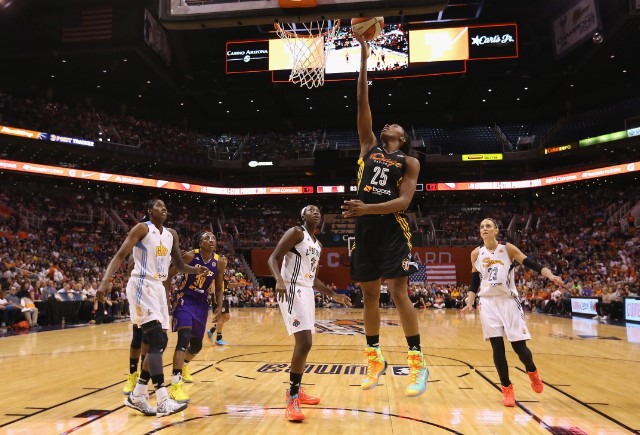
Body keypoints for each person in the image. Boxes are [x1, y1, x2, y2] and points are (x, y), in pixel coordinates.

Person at [341, 35, 428, 397]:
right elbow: (362, 101)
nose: (387, 124)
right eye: (385, 123)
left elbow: (403, 204)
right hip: (365, 229)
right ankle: (374, 359)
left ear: (403, 139)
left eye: (395, 126)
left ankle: (417, 363)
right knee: (370, 296)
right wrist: (363, 58)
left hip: (391, 228)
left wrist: (367, 208)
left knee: (399, 292)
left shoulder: (409, 162)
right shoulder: (368, 146)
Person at [99, 199, 207, 417]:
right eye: (158, 205)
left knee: (161, 341)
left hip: (158, 288)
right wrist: (105, 281)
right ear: (149, 211)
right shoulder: (142, 228)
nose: (164, 208)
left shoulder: (171, 234)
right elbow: (120, 255)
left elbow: (178, 265)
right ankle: (162, 399)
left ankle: (138, 396)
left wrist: (195, 270)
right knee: (156, 340)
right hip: (141, 283)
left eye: (165, 205)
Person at [461, 218, 564, 407]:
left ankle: (532, 372)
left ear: (496, 230)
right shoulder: (476, 253)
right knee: (497, 348)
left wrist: (550, 276)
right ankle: (506, 388)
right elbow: (474, 280)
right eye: (482, 226)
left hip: (508, 301)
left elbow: (531, 263)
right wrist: (470, 300)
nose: (484, 229)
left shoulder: (506, 249)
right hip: (488, 303)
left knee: (519, 348)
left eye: (488, 226)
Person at [267, 205, 352, 422]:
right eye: (310, 210)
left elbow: (312, 278)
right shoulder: (296, 232)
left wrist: (334, 295)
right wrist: (278, 279)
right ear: (303, 216)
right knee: (303, 342)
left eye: (318, 211)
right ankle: (292, 396)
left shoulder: (318, 244)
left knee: (306, 343)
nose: (316, 213)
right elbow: (273, 257)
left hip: (306, 290)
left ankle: (297, 389)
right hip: (290, 287)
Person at [165, 231, 227, 403]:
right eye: (207, 238)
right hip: (184, 298)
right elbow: (169, 275)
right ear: (200, 242)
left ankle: (184, 365)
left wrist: (219, 305)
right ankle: (175, 385)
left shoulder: (219, 262)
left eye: (213, 238)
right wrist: (166, 297)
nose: (211, 240)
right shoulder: (190, 256)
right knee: (183, 338)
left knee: (197, 346)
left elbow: (219, 287)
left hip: (201, 303)